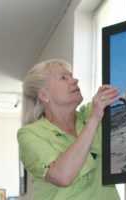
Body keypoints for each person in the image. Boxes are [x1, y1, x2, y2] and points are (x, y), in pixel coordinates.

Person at [17, 59, 120, 200]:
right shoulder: (30, 134)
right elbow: (62, 176)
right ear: (43, 95)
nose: (75, 80)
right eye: (64, 78)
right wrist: (94, 120)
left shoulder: (90, 113)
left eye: (71, 75)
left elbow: (123, 91)